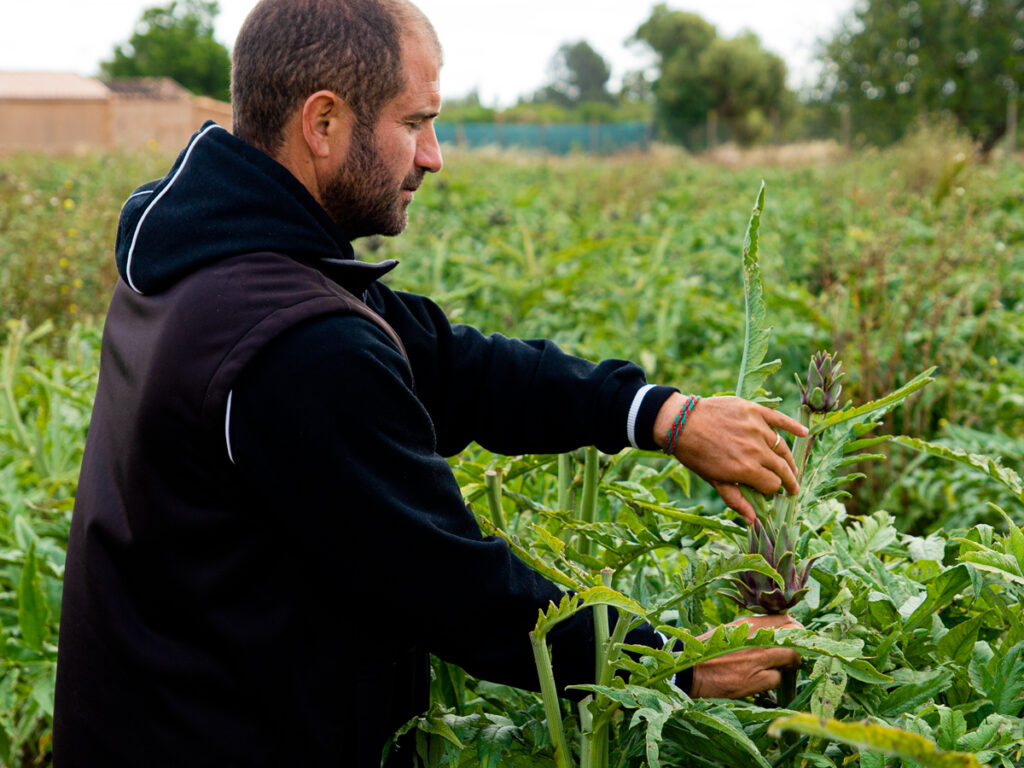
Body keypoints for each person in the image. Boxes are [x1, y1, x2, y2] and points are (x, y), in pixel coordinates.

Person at [52, 0, 807, 765]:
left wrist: (662, 416)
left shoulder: (219, 261)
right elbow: (455, 589)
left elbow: (454, 367)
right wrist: (674, 661)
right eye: (415, 123)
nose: (434, 156)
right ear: (323, 123)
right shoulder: (294, 347)